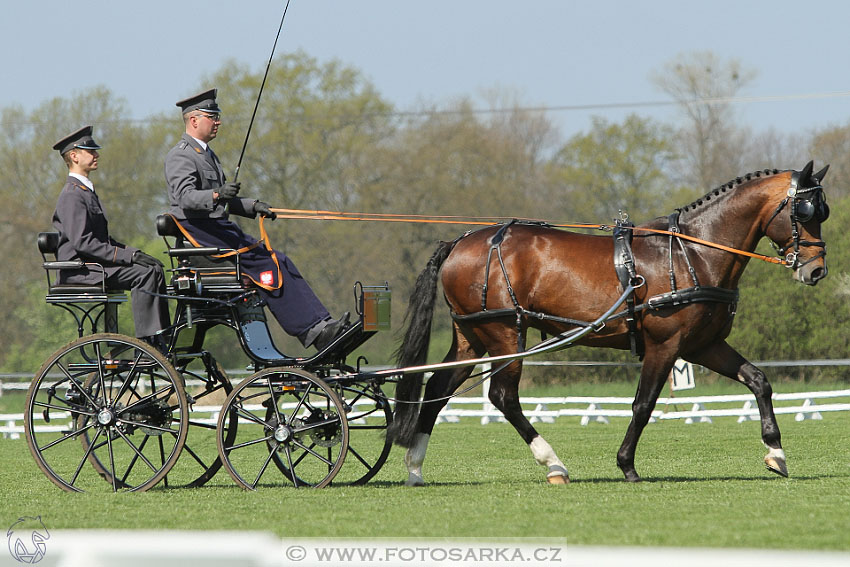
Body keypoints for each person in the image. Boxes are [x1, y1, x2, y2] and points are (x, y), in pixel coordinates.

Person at [164, 88, 348, 351]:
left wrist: (254, 206)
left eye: (217, 116)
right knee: (270, 264)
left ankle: (322, 325)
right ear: (194, 120)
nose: (218, 122)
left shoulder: (207, 155)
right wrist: (217, 193)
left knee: (281, 260)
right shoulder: (181, 155)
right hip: (202, 236)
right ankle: (315, 334)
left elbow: (223, 200)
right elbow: (185, 198)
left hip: (218, 231)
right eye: (212, 116)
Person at [52, 125, 170, 344]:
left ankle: (162, 336)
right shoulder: (72, 195)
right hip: (80, 270)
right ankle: (148, 342)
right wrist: (129, 257)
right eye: (90, 151)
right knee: (144, 274)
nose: (96, 155)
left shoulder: (85, 192)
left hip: (93, 266)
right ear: (74, 156)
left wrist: (135, 253)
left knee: (153, 269)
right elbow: (84, 243)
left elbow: (102, 241)